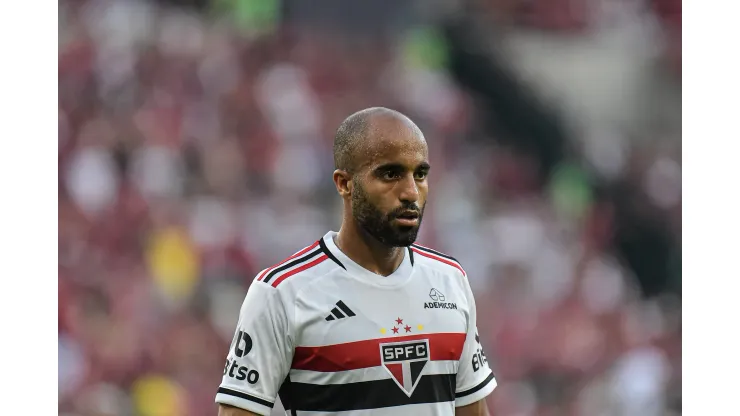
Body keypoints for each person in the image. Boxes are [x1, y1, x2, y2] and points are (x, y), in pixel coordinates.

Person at [216, 108, 496, 415]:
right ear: (344, 183)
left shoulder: (450, 281)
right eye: (390, 174)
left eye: (420, 174)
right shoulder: (281, 293)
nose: (410, 192)